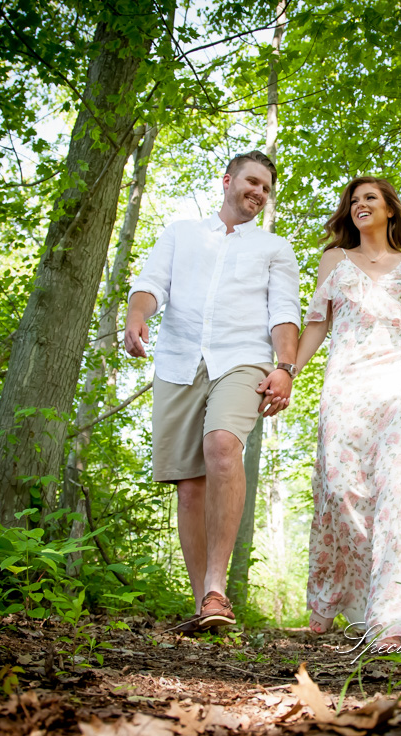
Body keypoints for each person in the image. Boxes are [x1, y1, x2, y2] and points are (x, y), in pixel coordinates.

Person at [123, 151, 300, 633]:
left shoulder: (274, 248)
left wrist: (285, 367)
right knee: (190, 483)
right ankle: (205, 600)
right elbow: (151, 285)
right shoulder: (181, 233)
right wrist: (136, 316)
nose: (259, 193)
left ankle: (218, 587)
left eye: (266, 188)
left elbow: (284, 312)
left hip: (243, 358)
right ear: (227, 180)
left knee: (222, 446)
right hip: (179, 361)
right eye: (252, 182)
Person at [292, 176, 401, 646]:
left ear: (390, 209)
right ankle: (346, 597)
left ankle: (393, 619)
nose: (360, 204)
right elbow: (315, 328)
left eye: (370, 198)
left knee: (400, 501)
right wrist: (287, 372)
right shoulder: (334, 261)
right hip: (345, 387)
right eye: (353, 200)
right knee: (342, 488)